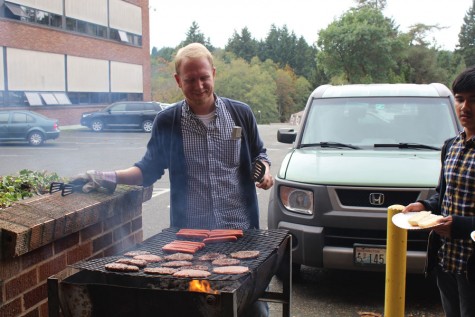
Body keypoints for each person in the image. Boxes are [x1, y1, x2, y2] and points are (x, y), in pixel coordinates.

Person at [76, 42, 273, 316]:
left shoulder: (241, 114)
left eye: (204, 77)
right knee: (194, 308)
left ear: (213, 73)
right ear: (178, 80)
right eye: (190, 79)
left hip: (241, 232)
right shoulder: (167, 121)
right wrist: (104, 176)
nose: (199, 85)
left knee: (253, 312)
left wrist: (264, 168)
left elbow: (259, 153)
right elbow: (147, 170)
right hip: (189, 238)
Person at [403, 66, 475, 317]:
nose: (465, 107)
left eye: (474, 100)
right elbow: (444, 195)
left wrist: (460, 226)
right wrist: (426, 206)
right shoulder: (451, 147)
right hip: (446, 259)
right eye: (460, 99)